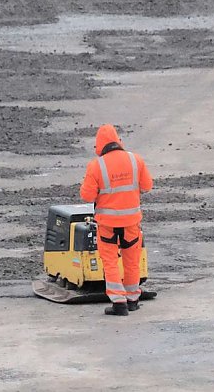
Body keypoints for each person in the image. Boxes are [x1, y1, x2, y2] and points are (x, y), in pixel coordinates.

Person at [80, 125, 153, 316]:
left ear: (99, 145)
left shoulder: (96, 166)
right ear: (118, 141)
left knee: (110, 262)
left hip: (107, 225)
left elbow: (87, 196)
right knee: (132, 261)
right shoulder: (135, 160)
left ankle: (119, 303)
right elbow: (147, 186)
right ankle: (132, 299)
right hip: (131, 222)